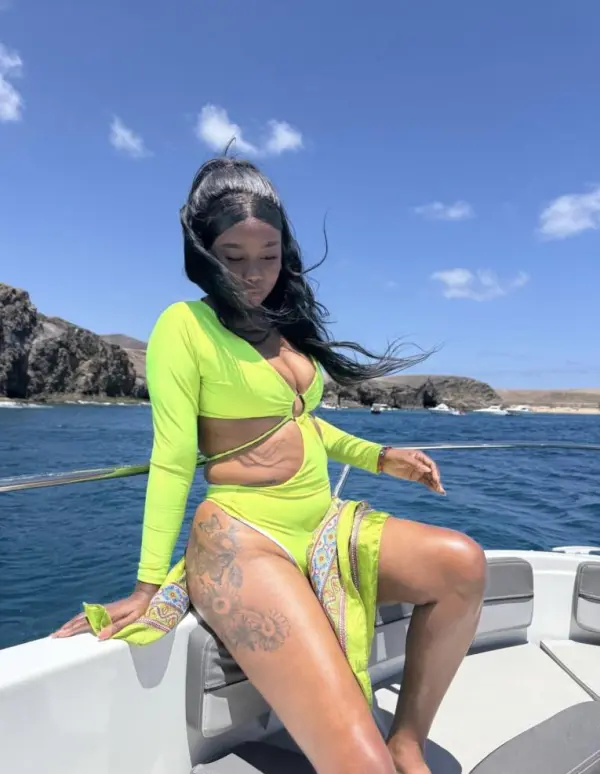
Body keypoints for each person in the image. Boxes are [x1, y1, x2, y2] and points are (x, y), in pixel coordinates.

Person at [54, 156, 487, 774]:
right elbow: (172, 459)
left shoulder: (285, 327)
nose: (253, 273)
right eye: (233, 256)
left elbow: (298, 421)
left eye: (269, 254)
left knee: (462, 564)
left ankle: (408, 740)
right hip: (244, 537)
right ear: (203, 253)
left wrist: (378, 457)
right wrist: (148, 584)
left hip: (322, 521)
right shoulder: (184, 326)